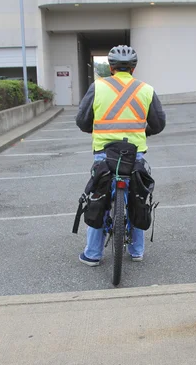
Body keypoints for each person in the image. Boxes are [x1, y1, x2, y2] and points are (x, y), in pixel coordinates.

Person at [75, 45, 166, 267]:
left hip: (104, 154)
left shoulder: (98, 87)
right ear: (133, 69)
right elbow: (159, 123)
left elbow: (82, 121)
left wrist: (94, 129)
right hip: (134, 154)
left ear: (111, 67)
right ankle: (136, 251)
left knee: (99, 198)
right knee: (137, 196)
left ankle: (93, 254)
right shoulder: (146, 89)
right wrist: (143, 132)